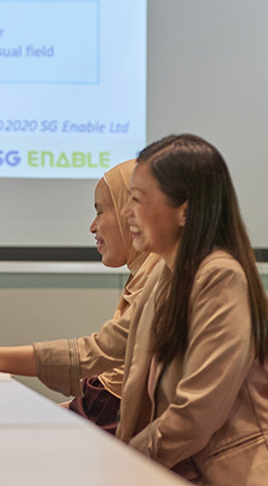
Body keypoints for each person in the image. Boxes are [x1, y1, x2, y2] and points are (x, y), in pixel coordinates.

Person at [0, 134, 268, 485]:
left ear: (184, 209)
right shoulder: (169, 274)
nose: (128, 213)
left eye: (138, 199)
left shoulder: (218, 276)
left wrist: (119, 460)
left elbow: (194, 416)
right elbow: (96, 351)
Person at [63, 158, 158, 433]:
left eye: (102, 211)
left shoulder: (164, 284)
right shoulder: (142, 280)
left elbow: (105, 408)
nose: (93, 227)